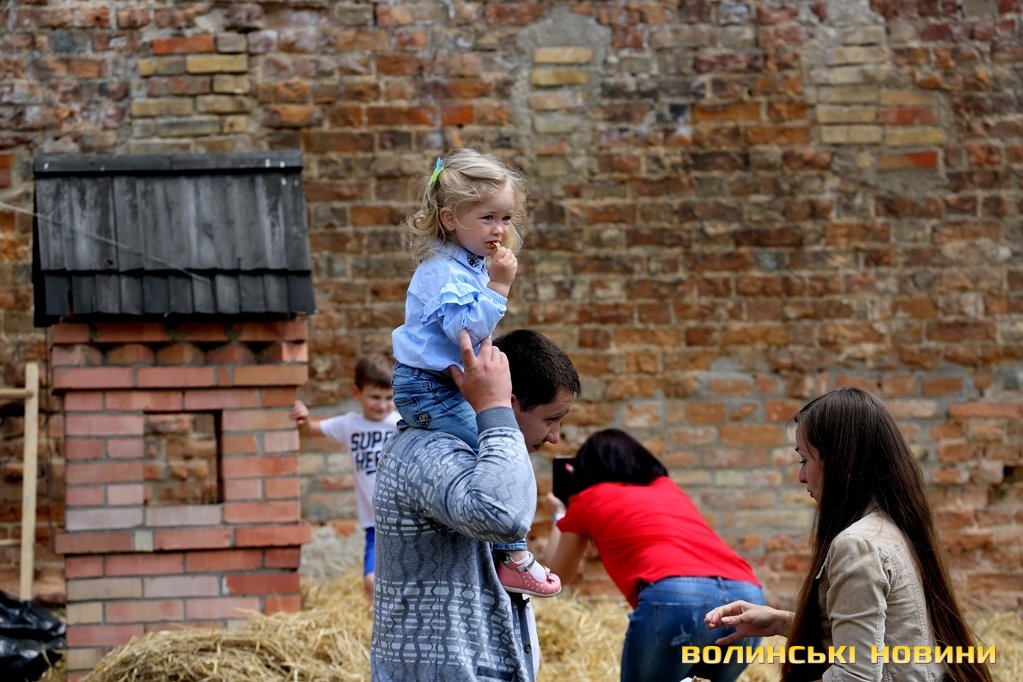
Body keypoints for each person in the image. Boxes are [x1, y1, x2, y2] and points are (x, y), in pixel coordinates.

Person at [704, 387, 993, 682]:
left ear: (838, 461)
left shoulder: (858, 545)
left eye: (804, 460)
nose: (801, 476)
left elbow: (855, 676)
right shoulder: (893, 527)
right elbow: (885, 639)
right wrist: (779, 622)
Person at [390, 148, 560, 597]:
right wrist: (500, 285)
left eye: (505, 218)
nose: (499, 230)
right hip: (428, 388)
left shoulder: (465, 265)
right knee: (497, 453)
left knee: (499, 448)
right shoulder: (442, 272)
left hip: (441, 384)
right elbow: (464, 329)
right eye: (487, 218)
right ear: (449, 219)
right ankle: (514, 558)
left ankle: (509, 554)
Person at [372, 329, 581, 682]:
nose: (555, 436)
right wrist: (494, 411)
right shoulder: (428, 452)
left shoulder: (482, 455)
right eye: (551, 419)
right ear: (510, 401)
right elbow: (503, 516)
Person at [543, 428, 766, 682]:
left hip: (678, 595)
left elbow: (555, 576)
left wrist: (560, 512)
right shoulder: (667, 488)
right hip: (746, 594)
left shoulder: (587, 498)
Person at [289, 353, 399, 599]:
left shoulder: (400, 424)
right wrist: (302, 416)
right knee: (371, 582)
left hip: (403, 517)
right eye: (375, 397)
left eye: (389, 397)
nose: (382, 405)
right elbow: (309, 429)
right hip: (374, 522)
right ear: (356, 393)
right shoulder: (349, 425)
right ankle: (376, 619)